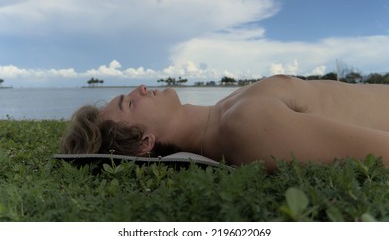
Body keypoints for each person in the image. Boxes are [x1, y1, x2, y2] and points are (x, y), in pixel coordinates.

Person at [61, 75, 389, 169]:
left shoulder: (226, 111)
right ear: (145, 141)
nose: (141, 88)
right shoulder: (244, 127)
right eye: (130, 103)